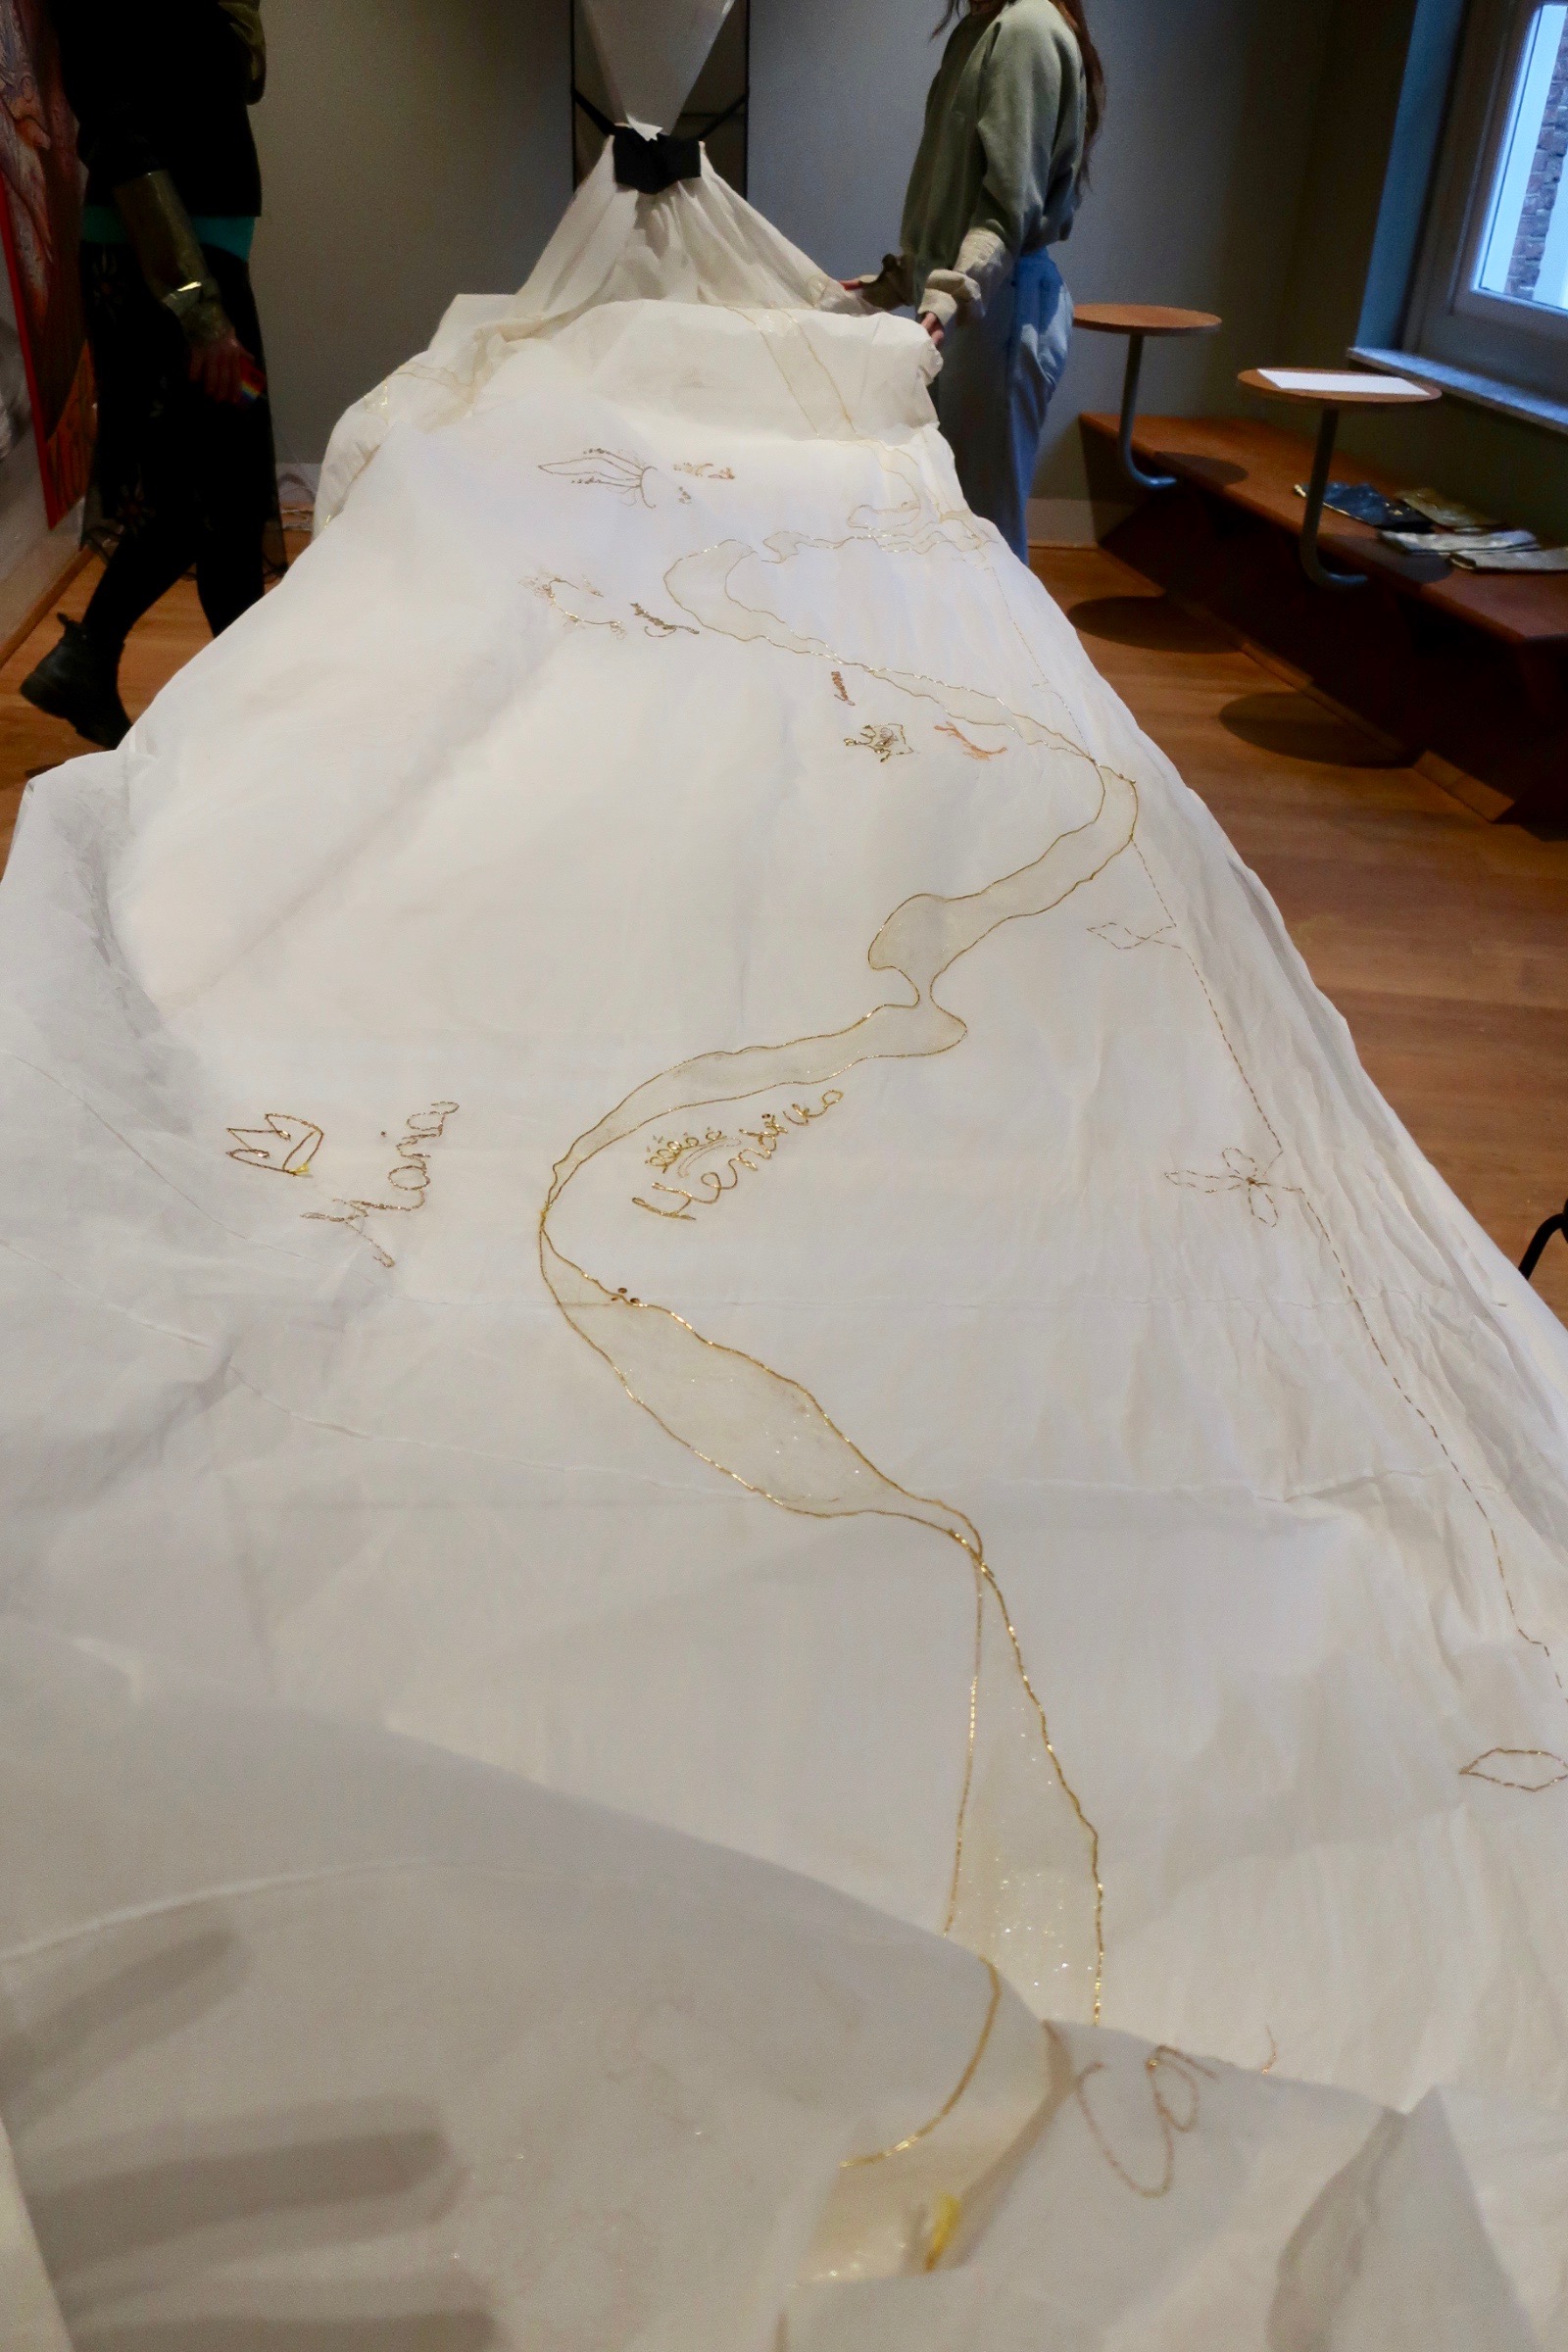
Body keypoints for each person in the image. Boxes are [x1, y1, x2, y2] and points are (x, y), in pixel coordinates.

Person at [23, 0, 279, 750]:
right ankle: (256, 716)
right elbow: (114, 122)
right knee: (217, 491)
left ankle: (97, 661)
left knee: (218, 490)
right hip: (163, 269)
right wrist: (197, 305)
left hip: (200, 261)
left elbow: (241, 76)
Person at [850, 0, 1103, 564]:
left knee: (985, 541)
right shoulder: (977, 32)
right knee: (948, 528)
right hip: (972, 309)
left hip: (997, 311)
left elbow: (1007, 211)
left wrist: (948, 293)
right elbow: (952, 200)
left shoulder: (1027, 29)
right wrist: (893, 283)